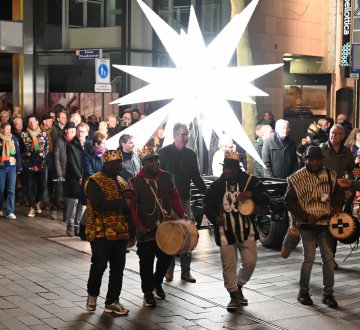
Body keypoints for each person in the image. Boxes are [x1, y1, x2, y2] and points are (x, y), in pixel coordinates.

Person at [203, 150, 270, 311]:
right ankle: (233, 295)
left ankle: (238, 285)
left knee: (250, 262)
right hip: (225, 233)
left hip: (248, 231)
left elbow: (266, 198)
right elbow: (207, 206)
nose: (227, 171)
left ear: (237, 169)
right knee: (228, 265)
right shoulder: (217, 186)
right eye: (225, 168)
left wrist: (251, 193)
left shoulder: (250, 182)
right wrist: (215, 218)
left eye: (230, 168)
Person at [285, 146, 344, 308]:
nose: (315, 162)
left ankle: (328, 294)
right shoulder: (296, 178)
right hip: (306, 225)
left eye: (318, 159)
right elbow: (289, 201)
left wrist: (338, 206)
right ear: (306, 160)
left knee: (329, 259)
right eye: (312, 159)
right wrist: (305, 216)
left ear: (321, 160)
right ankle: (303, 293)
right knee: (309, 259)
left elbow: (339, 193)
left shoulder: (331, 175)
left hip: (325, 223)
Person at [129, 147, 185, 307]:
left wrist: (182, 214)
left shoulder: (167, 177)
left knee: (166, 258)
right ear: (144, 163)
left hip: (166, 228)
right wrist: (138, 225)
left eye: (157, 159)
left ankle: (157, 282)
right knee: (146, 262)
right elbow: (131, 207)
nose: (156, 162)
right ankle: (147, 292)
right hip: (145, 231)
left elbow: (174, 197)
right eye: (151, 160)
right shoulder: (135, 182)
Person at [84, 149, 136, 315]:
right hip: (100, 232)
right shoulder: (93, 181)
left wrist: (131, 232)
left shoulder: (121, 181)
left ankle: (112, 301)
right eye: (116, 163)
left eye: (120, 162)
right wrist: (123, 203)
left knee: (118, 268)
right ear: (107, 164)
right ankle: (92, 295)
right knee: (99, 265)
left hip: (120, 232)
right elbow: (100, 205)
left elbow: (129, 209)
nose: (120, 165)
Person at [158, 123, 207, 283]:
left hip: (185, 198)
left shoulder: (191, 155)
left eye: (187, 135)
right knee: (171, 234)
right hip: (168, 200)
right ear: (174, 135)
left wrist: (208, 192)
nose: (185, 138)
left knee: (188, 232)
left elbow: (197, 177)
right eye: (182, 134)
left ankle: (186, 271)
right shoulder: (163, 153)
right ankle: (169, 268)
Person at [320, 124, 354, 269]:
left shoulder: (347, 152)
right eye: (332, 133)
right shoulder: (321, 149)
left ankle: (330, 257)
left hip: (338, 193)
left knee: (334, 223)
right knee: (319, 222)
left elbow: (354, 171)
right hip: (320, 191)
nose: (334, 135)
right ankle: (316, 246)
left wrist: (349, 186)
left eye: (338, 133)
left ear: (343, 136)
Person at [80, 131, 106, 240]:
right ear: (96, 144)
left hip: (102, 184)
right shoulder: (87, 154)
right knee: (90, 207)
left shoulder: (105, 153)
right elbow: (88, 171)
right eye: (102, 143)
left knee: (97, 208)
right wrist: (98, 181)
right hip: (91, 184)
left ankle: (97, 230)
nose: (105, 145)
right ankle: (82, 228)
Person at [20, 115, 49, 217]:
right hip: (28, 164)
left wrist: (42, 156)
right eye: (30, 122)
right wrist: (28, 153)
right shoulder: (23, 134)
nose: (32, 124)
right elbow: (20, 150)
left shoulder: (43, 134)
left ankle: (36, 202)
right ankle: (31, 207)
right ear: (28, 123)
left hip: (40, 164)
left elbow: (47, 149)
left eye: (34, 122)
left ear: (37, 122)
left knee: (42, 186)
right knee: (30, 187)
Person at [64, 122, 89, 236]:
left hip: (85, 178)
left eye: (83, 131)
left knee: (83, 204)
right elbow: (71, 163)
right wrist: (80, 177)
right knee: (73, 203)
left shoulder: (89, 145)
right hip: (74, 178)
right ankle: (70, 225)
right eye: (78, 131)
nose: (80, 133)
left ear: (87, 133)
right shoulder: (71, 145)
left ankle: (78, 225)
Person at [53, 122, 77, 221]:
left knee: (68, 194)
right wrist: (59, 173)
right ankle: (54, 209)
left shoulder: (75, 141)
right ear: (66, 131)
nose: (73, 133)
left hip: (71, 172)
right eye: (71, 131)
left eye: (74, 131)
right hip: (61, 170)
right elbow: (56, 157)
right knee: (58, 191)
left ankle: (65, 215)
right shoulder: (60, 140)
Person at [0, 122, 22, 219]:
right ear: (2, 130)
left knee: (11, 190)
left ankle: (10, 211)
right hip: (1, 167)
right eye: (6, 129)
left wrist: (19, 167)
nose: (8, 131)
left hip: (12, 167)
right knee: (1, 189)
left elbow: (18, 154)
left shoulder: (14, 139)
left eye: (9, 129)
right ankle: (0, 209)